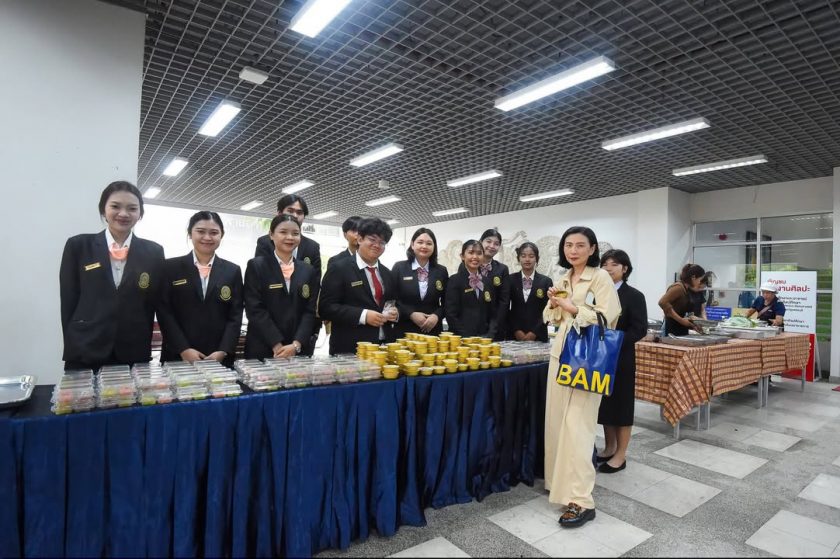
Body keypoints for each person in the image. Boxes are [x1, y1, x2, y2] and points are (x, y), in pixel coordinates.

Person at [542, 226, 621, 528]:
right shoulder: (564, 278)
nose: (573, 250)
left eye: (579, 245)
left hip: (587, 362)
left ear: (592, 249)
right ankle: (560, 485)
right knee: (557, 424)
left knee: (578, 429)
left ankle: (581, 500)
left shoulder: (600, 277)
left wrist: (573, 308)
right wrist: (553, 304)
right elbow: (550, 318)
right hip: (560, 357)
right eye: (568, 245)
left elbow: (608, 316)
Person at [59, 180, 165, 370]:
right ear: (103, 209)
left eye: (132, 208)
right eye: (115, 206)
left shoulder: (153, 252)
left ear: (140, 213)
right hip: (85, 348)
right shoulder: (79, 246)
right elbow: (68, 300)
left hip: (133, 349)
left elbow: (154, 303)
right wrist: (72, 342)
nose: (123, 214)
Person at [157, 212, 244, 368]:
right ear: (190, 233)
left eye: (214, 233)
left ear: (222, 235)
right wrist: (183, 349)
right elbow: (164, 312)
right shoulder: (170, 268)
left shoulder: (232, 271)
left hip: (218, 357)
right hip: (178, 355)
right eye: (201, 231)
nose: (207, 237)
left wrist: (223, 350)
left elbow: (235, 315)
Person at [596, 249, 647, 474]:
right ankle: (609, 448)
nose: (608, 268)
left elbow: (639, 329)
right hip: (601, 358)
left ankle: (620, 455)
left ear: (624, 269)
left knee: (622, 407)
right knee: (605, 405)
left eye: (614, 264)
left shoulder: (634, 296)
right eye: (605, 264)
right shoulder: (598, 294)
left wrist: (614, 341)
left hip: (622, 358)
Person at [244, 214, 320, 358]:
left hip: (297, 350)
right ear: (271, 235)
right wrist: (276, 344)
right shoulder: (257, 266)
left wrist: (296, 344)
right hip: (263, 347)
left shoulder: (308, 270)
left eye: (295, 233)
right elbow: (254, 309)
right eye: (283, 232)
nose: (290, 237)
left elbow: (309, 311)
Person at [318, 217, 398, 355]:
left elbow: (392, 302)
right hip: (350, 347)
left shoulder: (387, 273)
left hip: (382, 346)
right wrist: (363, 315)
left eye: (382, 242)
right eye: (372, 240)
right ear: (360, 239)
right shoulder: (339, 268)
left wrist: (395, 312)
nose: (377, 245)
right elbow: (326, 308)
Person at [390, 227, 448, 337]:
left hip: (432, 330)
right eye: (420, 242)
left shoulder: (441, 271)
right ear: (412, 245)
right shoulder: (399, 267)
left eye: (429, 243)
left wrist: (436, 316)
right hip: (405, 329)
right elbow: (392, 299)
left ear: (434, 247)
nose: (424, 246)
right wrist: (410, 314)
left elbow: (447, 302)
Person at [458, 228, 510, 339]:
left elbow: (504, 301)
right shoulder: (465, 266)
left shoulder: (502, 269)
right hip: (469, 328)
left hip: (495, 328)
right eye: (488, 241)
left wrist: (493, 328)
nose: (492, 246)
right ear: (481, 242)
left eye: (496, 244)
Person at [254, 194, 321, 275]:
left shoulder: (312, 247)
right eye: (290, 211)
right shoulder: (265, 242)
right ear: (279, 213)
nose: (295, 215)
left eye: (299, 212)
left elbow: (315, 278)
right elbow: (258, 273)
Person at [446, 240, 499, 338]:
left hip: (484, 339)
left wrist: (490, 334)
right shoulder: (454, 280)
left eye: (479, 253)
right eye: (471, 253)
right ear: (462, 256)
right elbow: (451, 314)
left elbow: (493, 314)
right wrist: (467, 338)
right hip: (461, 339)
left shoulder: (487, 282)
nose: (475, 256)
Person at [506, 242, 553, 342]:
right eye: (523, 256)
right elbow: (505, 307)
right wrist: (516, 330)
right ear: (519, 258)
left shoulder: (546, 281)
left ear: (537, 258)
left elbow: (549, 309)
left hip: (539, 335)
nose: (527, 259)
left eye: (531, 256)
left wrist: (534, 332)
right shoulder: (510, 279)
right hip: (514, 335)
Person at [658, 264, 707, 336]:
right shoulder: (678, 287)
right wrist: (681, 320)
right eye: (700, 280)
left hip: (682, 329)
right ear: (693, 277)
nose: (700, 283)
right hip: (672, 328)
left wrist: (694, 325)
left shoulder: (687, 289)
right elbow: (662, 302)